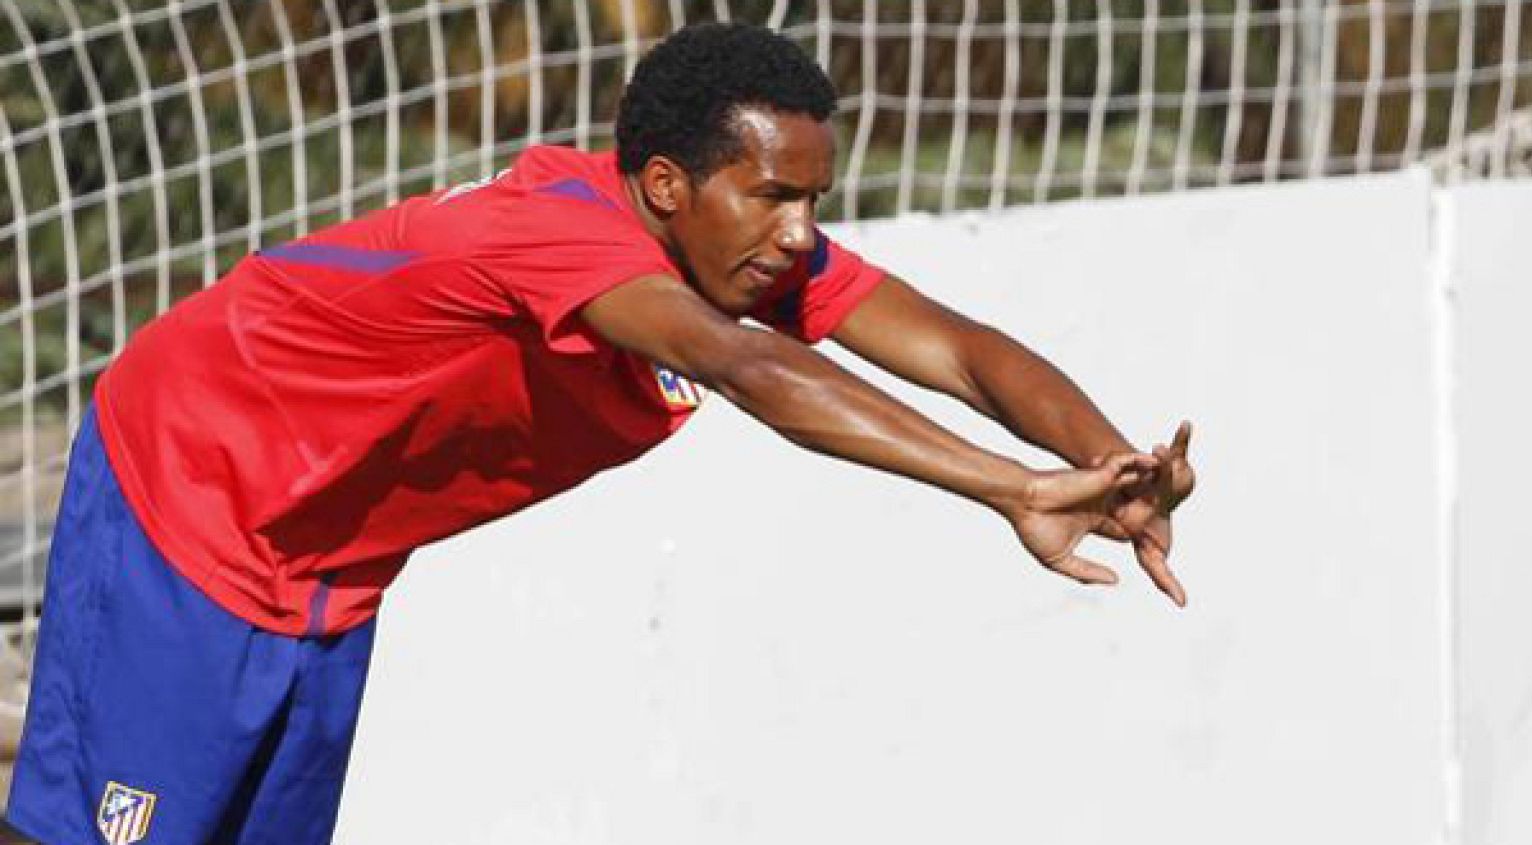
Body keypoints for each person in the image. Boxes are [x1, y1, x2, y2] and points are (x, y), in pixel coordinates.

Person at [6, 22, 1195, 845]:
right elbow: (751, 372)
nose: (800, 232)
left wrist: (1110, 466)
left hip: (329, 562)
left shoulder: (741, 260)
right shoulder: (569, 238)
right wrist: (1006, 488)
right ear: (669, 184)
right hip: (189, 492)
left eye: (813, 199)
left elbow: (961, 347)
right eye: (773, 194)